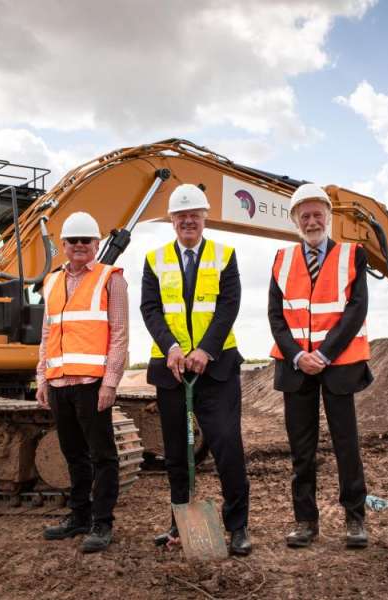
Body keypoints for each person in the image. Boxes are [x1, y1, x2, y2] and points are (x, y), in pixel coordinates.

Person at [140, 183, 252, 557]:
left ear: (204, 218)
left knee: (226, 447)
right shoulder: (155, 260)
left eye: (194, 215)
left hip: (216, 371)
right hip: (171, 372)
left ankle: (237, 527)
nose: (188, 220)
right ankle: (179, 523)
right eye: (181, 215)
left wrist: (206, 349)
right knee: (176, 452)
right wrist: (171, 348)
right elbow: (150, 309)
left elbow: (228, 305)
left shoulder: (224, 255)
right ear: (171, 220)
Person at [267, 183, 373, 549]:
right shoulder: (281, 260)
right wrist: (298, 355)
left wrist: (324, 355)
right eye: (305, 216)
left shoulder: (352, 255)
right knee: (301, 450)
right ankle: (305, 522)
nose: (312, 221)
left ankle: (355, 520)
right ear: (295, 220)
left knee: (347, 445)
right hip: (296, 368)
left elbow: (356, 309)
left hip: (339, 365)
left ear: (329, 217)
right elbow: (275, 316)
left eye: (317, 215)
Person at [36, 211, 129, 554]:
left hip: (92, 384)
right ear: (62, 246)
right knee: (73, 454)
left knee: (103, 456)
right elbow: (48, 333)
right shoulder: (51, 282)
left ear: (97, 244)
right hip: (60, 383)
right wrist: (42, 376)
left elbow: (119, 334)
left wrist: (110, 383)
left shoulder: (111, 279)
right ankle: (79, 516)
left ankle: (102, 523)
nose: (79, 246)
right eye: (73, 241)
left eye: (85, 240)